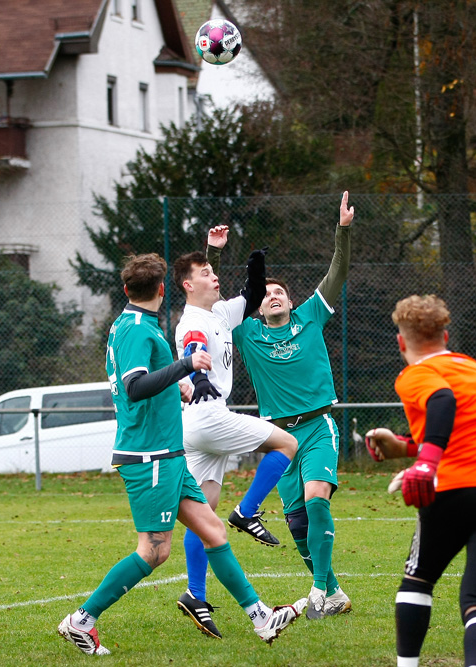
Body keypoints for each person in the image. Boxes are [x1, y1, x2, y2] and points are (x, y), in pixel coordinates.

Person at [57, 253, 304, 656]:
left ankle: (261, 617)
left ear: (125, 290)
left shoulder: (128, 324)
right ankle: (80, 622)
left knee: (213, 531)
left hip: (167, 452)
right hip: (148, 456)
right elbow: (135, 386)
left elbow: (145, 384)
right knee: (154, 551)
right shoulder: (138, 330)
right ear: (161, 290)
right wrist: (185, 366)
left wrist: (178, 384)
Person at [364, 294, 476, 667]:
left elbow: (442, 402)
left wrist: (426, 464)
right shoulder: (473, 368)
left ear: (401, 342)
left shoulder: (414, 374)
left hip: (452, 488)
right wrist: (403, 448)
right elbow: (465, 428)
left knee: (418, 581)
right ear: (446, 336)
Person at [171, 225, 300, 639]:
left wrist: (255, 266)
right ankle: (247, 510)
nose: (214, 275)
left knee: (202, 516)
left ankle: (195, 593)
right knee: (287, 442)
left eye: (214, 269)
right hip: (209, 417)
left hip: (198, 425)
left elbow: (253, 292)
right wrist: (195, 367)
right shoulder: (191, 320)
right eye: (206, 271)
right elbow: (192, 346)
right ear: (188, 285)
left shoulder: (220, 313)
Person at [233, 191, 355, 619]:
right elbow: (213, 309)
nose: (275, 295)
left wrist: (342, 230)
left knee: (317, 499)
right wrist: (214, 254)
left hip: (318, 426)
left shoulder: (310, 316)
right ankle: (335, 592)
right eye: (266, 293)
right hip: (279, 437)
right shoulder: (246, 334)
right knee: (298, 523)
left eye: (280, 290)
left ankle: (319, 589)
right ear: (257, 306)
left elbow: (337, 273)